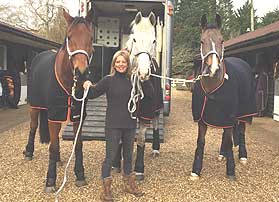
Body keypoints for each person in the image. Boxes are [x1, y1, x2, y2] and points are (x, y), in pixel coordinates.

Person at [83, 50, 144, 202]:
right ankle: (106, 190)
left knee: (129, 156)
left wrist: (144, 76)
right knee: (110, 157)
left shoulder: (133, 80)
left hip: (130, 123)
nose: (121, 64)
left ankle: (129, 185)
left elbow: (148, 92)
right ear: (114, 64)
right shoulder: (108, 80)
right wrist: (87, 84)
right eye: (118, 62)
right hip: (113, 125)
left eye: (123, 62)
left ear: (128, 64)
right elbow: (92, 94)